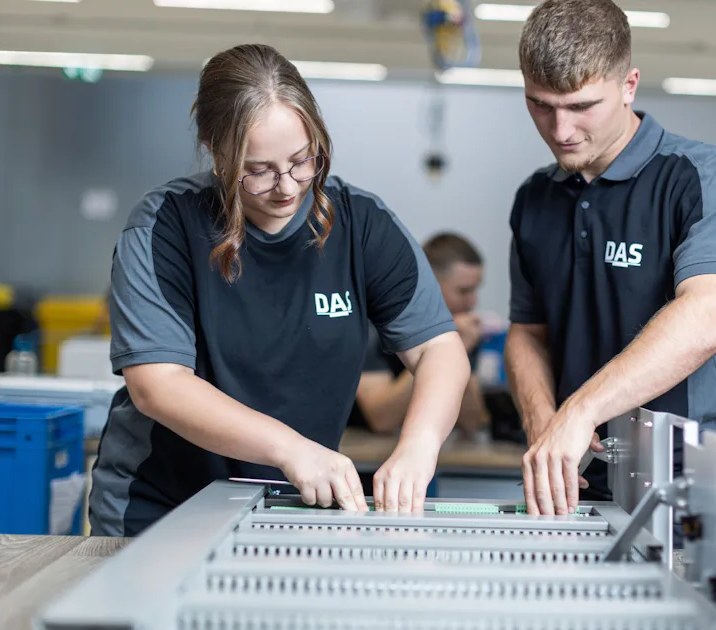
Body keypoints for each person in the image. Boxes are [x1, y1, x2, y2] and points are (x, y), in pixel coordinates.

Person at [88, 43, 471, 536]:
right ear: (214, 149)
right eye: (258, 170)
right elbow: (158, 385)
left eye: (302, 160)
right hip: (162, 509)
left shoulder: (363, 225)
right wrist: (291, 448)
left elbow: (440, 349)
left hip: (294, 510)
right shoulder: (165, 226)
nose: (288, 187)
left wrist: (419, 447)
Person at [505, 0, 716, 516]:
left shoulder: (702, 177)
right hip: (579, 487)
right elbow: (527, 333)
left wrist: (579, 412)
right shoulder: (535, 197)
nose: (560, 131)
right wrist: (544, 425)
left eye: (582, 107)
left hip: (695, 482)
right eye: (540, 104)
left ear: (629, 85)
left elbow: (712, 317)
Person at [351, 233, 490, 437]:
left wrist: (457, 352)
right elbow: (381, 419)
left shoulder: (460, 330)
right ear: (430, 283)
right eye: (463, 291)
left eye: (475, 290)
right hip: (355, 457)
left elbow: (471, 422)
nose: (472, 302)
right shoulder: (373, 324)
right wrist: (437, 353)